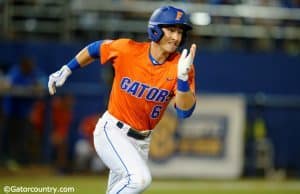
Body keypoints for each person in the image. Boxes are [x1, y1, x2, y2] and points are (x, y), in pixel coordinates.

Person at [48, 5, 197, 193]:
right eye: (171, 30)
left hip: (142, 141)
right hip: (112, 131)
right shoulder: (128, 50)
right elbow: (95, 48)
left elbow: (185, 111)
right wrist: (67, 69)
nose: (176, 37)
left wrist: (182, 80)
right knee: (140, 179)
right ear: (156, 29)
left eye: (180, 32)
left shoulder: (182, 67)